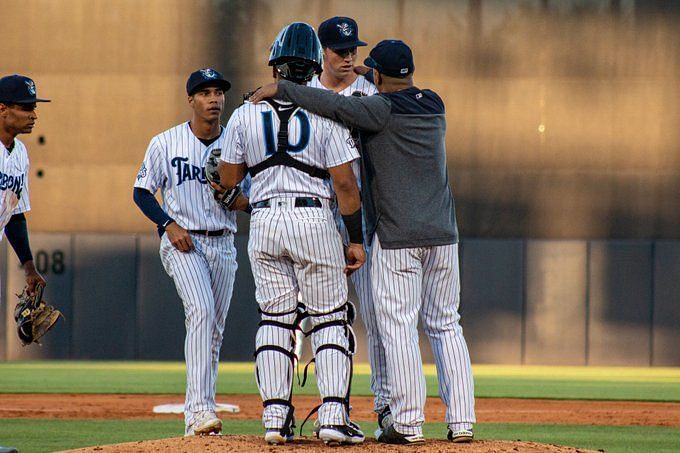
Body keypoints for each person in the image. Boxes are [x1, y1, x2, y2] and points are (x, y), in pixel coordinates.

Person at [250, 39, 476, 444]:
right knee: (446, 325)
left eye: (372, 70)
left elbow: (335, 107)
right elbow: (389, 84)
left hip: (398, 236)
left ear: (382, 77)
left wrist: (282, 89)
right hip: (444, 235)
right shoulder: (434, 103)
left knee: (399, 328)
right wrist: (369, 74)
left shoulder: (379, 109)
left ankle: (407, 423)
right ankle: (462, 423)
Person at [216, 22, 366, 446]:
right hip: (313, 219)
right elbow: (345, 186)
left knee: (275, 320)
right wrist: (354, 239)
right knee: (330, 318)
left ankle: (274, 419)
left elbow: (228, 178)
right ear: (314, 69)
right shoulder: (327, 111)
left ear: (274, 66)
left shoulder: (245, 112)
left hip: (263, 221)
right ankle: (333, 417)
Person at [133, 68, 246, 436]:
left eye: (218, 92)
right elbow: (141, 192)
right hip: (183, 239)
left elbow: (252, 201)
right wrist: (168, 224)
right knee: (201, 311)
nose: (214, 99)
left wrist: (235, 198)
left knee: (213, 329)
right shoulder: (165, 142)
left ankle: (199, 418)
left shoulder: (237, 142)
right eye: (205, 93)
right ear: (191, 100)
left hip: (224, 241)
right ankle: (198, 411)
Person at [309, 15, 391, 428]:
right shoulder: (304, 92)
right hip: (315, 216)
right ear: (322, 51)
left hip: (365, 217)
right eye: (340, 50)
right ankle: (299, 408)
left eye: (353, 50)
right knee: (314, 318)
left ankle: (385, 405)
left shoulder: (370, 90)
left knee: (376, 316)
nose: (348, 56)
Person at [0, 74, 49, 297]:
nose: (34, 115)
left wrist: (29, 269)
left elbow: (15, 216)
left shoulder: (20, 153)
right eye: (26, 108)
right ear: (3, 109)